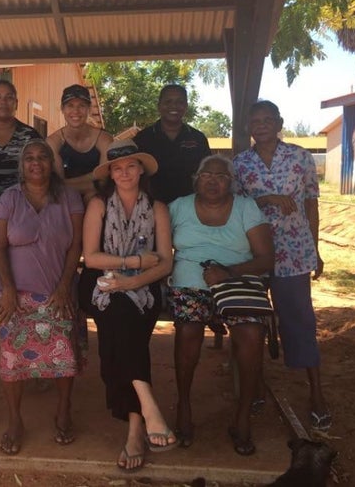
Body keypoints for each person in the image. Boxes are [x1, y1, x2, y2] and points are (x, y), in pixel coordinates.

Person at [232, 99, 331, 431]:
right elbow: (236, 207)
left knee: (299, 320)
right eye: (255, 121)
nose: (261, 125)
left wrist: (316, 249)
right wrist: (268, 199)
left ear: (279, 123)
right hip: (253, 252)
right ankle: (254, 386)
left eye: (267, 120)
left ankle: (316, 395)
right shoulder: (241, 163)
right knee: (252, 321)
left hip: (294, 250)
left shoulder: (301, 157)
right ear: (249, 127)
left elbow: (311, 205)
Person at [168, 154, 274, 456]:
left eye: (221, 176)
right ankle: (184, 405)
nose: (213, 180)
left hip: (238, 281)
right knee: (188, 330)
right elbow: (161, 246)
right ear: (196, 179)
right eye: (206, 174)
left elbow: (266, 258)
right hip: (191, 282)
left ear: (232, 182)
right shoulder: (178, 207)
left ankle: (241, 417)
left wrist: (229, 272)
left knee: (252, 334)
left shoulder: (245, 207)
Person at [80, 139, 176, 472]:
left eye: (131, 166)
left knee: (118, 337)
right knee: (122, 318)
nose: (124, 173)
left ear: (141, 170)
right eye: (117, 168)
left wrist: (132, 281)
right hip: (100, 282)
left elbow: (165, 263)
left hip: (144, 287)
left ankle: (136, 427)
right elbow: (90, 258)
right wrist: (132, 261)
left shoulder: (158, 208)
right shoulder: (99, 205)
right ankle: (146, 410)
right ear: (110, 173)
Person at [0, 139, 85, 455]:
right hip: (15, 293)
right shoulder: (8, 199)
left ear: (52, 163)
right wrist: (8, 289)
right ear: (22, 165)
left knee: (63, 355)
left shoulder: (69, 198)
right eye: (29, 158)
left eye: (42, 157)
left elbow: (75, 246)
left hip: (58, 289)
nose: (36, 163)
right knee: (12, 356)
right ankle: (15, 421)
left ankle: (64, 408)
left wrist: (63, 286)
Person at [133, 84, 211, 204]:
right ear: (159, 106)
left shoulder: (198, 138)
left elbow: (207, 174)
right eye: (168, 101)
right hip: (151, 207)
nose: (174, 106)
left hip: (190, 208)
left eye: (180, 102)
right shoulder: (143, 138)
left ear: (186, 106)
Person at [46, 84, 113, 202]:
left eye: (81, 105)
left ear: (89, 108)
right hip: (65, 203)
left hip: (99, 203)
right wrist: (93, 177)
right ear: (62, 108)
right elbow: (58, 187)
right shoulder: (53, 142)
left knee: (95, 199)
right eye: (70, 105)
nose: (75, 111)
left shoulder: (104, 139)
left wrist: (95, 185)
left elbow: (103, 182)